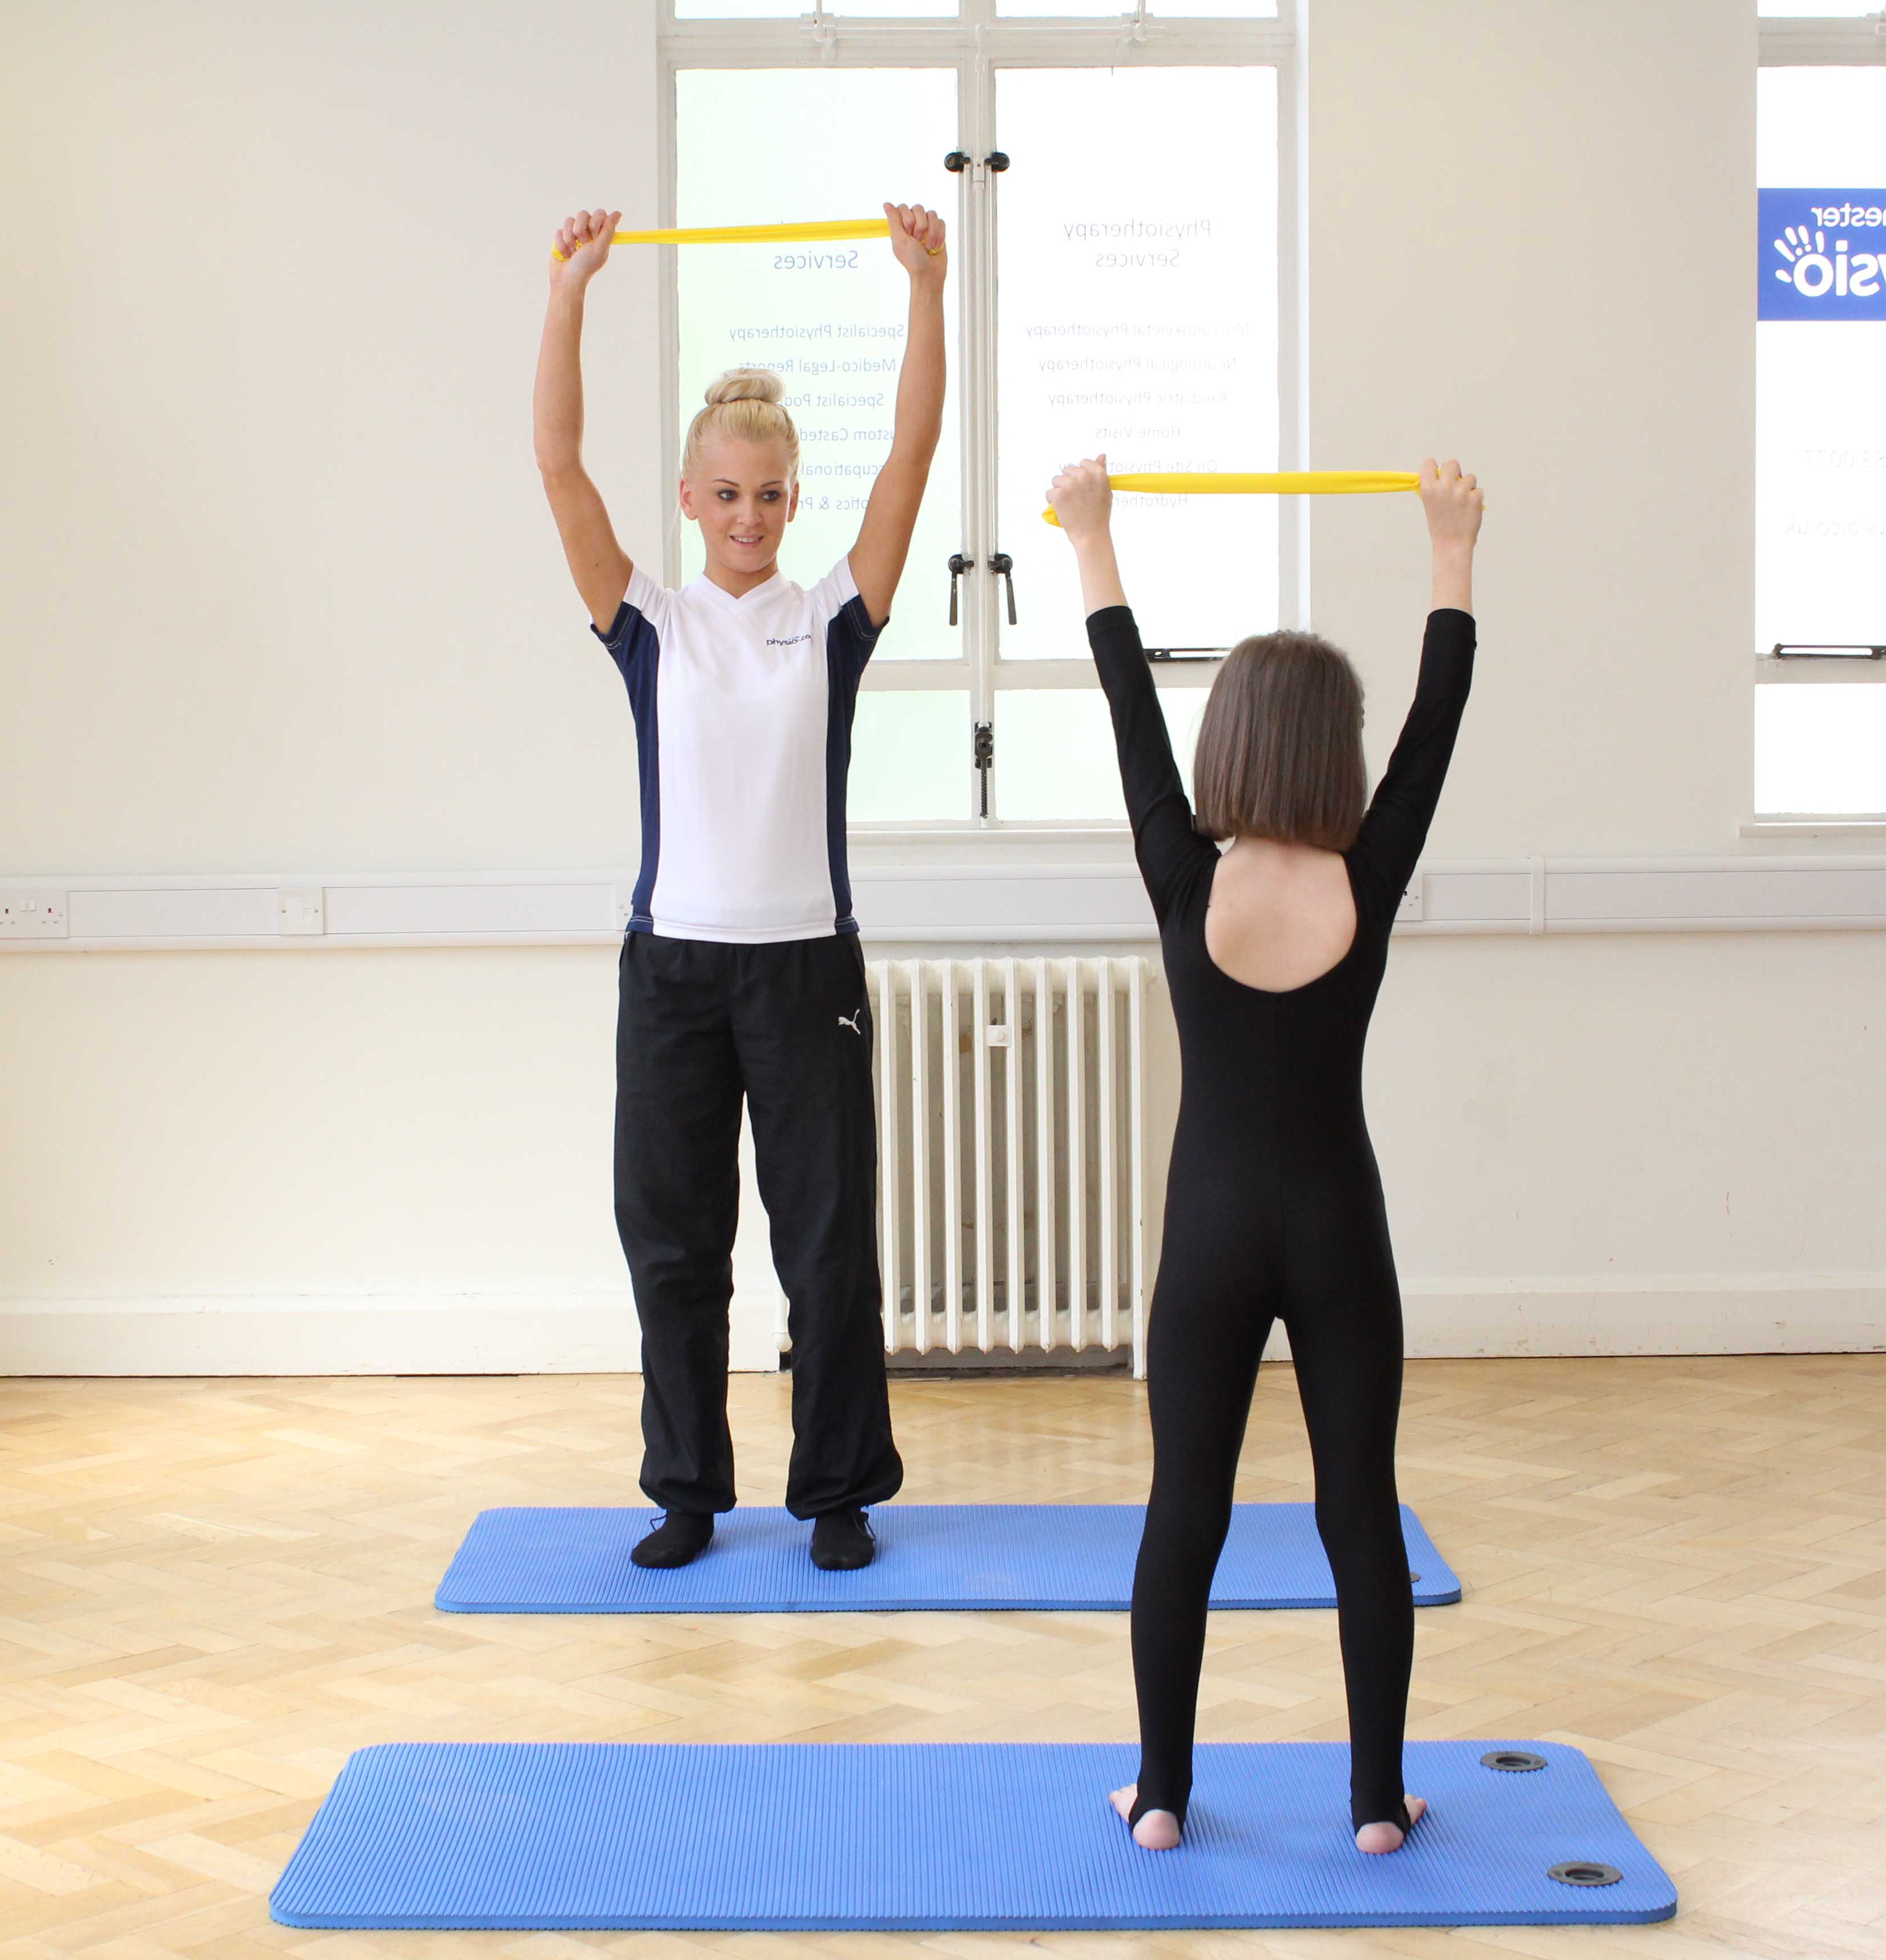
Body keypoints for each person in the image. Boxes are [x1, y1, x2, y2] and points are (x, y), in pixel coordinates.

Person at [1043, 452, 1483, 1853]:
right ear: (1337, 756)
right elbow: (1440, 720)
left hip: (1213, 1235)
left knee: (1188, 1512)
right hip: (1340, 1226)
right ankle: (1371, 1808)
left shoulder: (1185, 871)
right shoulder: (1371, 873)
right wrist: (1451, 549)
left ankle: (1163, 1796)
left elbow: (1126, 705)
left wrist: (1093, 539)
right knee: (1362, 1516)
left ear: (1231, 742)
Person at [534, 202, 949, 1572]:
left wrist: (925, 288)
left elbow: (911, 458)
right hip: (673, 972)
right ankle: (688, 1493)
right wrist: (571, 290)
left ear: (791, 498)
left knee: (826, 1248)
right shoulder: (650, 623)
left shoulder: (830, 620)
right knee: (674, 1244)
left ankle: (835, 1494)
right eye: (726, 494)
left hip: (804, 968)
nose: (750, 516)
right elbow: (557, 461)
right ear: (690, 499)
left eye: (771, 495)